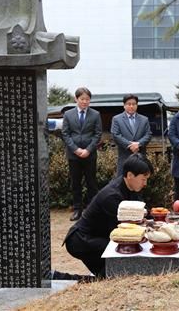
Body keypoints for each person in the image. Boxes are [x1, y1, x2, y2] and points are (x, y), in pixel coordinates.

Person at [64, 153, 153, 278]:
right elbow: (125, 230)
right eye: (143, 179)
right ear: (130, 175)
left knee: (110, 273)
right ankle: (60, 278)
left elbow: (144, 212)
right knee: (117, 263)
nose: (145, 184)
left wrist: (158, 221)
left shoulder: (131, 189)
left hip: (98, 236)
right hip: (82, 240)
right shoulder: (112, 196)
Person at [62, 87, 103, 221]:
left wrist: (88, 150)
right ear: (76, 99)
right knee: (76, 183)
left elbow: (97, 134)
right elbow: (65, 134)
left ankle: (92, 210)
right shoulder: (68, 114)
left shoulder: (95, 114)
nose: (85, 102)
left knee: (91, 183)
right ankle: (77, 210)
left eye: (87, 99)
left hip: (89, 154)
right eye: (82, 99)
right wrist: (75, 149)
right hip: (73, 155)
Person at [111, 94, 152, 176]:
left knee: (139, 182)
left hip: (140, 157)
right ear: (124, 105)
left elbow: (148, 134)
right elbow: (115, 135)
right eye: (129, 104)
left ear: (137, 105)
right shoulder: (117, 119)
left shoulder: (144, 119)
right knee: (123, 182)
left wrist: (139, 144)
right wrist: (130, 145)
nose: (131, 106)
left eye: (134, 104)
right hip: (124, 157)